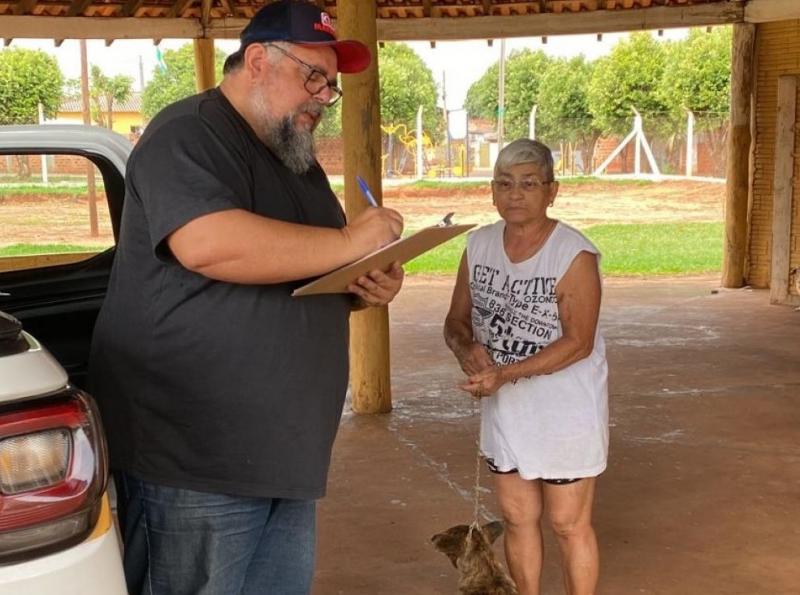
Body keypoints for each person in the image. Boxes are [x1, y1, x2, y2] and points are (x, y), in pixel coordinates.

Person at [88, 2, 404, 594]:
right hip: (197, 458)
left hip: (282, 454)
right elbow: (208, 244)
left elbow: (309, 260)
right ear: (257, 60)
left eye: (331, 86)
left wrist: (366, 283)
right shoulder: (189, 133)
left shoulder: (293, 155)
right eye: (313, 76)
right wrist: (346, 240)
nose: (322, 97)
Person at [443, 139, 608, 595]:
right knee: (517, 519)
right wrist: (467, 351)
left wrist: (505, 374)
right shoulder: (478, 246)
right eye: (504, 183)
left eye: (529, 183)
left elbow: (579, 342)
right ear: (492, 191)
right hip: (507, 412)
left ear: (552, 191)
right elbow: (455, 321)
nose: (514, 194)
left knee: (568, 524)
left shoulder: (573, 254)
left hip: (565, 414)